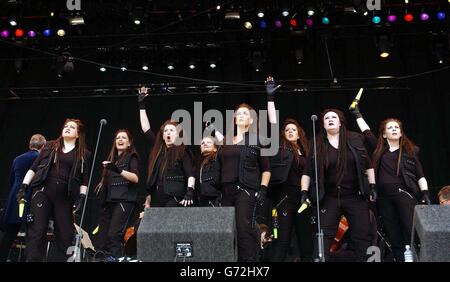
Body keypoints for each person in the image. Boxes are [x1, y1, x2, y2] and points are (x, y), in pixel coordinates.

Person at [351, 106, 431, 262]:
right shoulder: (380, 150)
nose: (394, 129)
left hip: (404, 194)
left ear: (401, 133)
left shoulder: (410, 151)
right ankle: (400, 258)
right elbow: (367, 132)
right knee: (392, 231)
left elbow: (420, 175)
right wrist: (357, 114)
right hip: (384, 197)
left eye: (396, 127)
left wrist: (425, 192)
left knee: (410, 229)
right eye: (390, 127)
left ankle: (418, 257)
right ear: (383, 133)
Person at [300, 109, 376, 262]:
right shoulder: (317, 143)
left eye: (333, 117)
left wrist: (372, 186)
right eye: (326, 118)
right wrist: (304, 192)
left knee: (362, 235)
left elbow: (368, 165)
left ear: (340, 122)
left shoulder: (354, 138)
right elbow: (307, 171)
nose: (330, 119)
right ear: (323, 124)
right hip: (329, 196)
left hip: (355, 195)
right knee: (323, 236)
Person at [17, 119, 90, 261]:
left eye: (72, 127)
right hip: (43, 191)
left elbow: (84, 179)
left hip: (65, 196)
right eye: (66, 126)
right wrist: (23, 186)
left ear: (78, 134)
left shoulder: (84, 154)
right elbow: (34, 167)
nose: (67, 128)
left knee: (65, 234)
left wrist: (82, 197)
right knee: (37, 231)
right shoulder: (50, 146)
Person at [264, 77, 313, 262]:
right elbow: (273, 122)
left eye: (294, 129)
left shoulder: (306, 152)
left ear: (299, 133)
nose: (291, 131)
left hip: (302, 198)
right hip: (283, 197)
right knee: (282, 240)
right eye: (287, 130)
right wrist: (270, 98)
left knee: (305, 241)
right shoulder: (279, 146)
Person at [217, 102, 271, 262]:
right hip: (226, 191)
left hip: (246, 190)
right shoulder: (226, 141)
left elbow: (266, 169)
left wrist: (263, 189)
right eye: (238, 113)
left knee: (243, 228)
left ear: (252, 120)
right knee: (226, 230)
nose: (240, 115)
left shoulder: (257, 140)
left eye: (245, 113)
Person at [138, 86, 195, 207]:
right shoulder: (159, 150)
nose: (168, 133)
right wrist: (141, 106)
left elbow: (190, 174)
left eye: (171, 130)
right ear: (163, 136)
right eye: (166, 131)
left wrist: (189, 191)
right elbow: (145, 129)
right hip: (156, 197)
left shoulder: (182, 151)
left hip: (173, 196)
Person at [94, 129, 140, 260]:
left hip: (125, 200)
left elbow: (136, 178)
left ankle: (119, 258)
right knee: (102, 239)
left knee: (114, 235)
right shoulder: (113, 159)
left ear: (129, 143)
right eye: (118, 138)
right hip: (110, 202)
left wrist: (117, 169)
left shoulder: (132, 157)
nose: (120, 140)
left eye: (123, 138)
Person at [0, 134, 46, 261]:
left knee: (9, 234)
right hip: (31, 196)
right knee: (32, 235)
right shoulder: (40, 158)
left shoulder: (17, 159)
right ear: (43, 147)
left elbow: (11, 180)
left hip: (15, 197)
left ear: (30, 145)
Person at [196, 136, 221, 207]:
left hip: (214, 197)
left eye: (209, 142)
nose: (205, 144)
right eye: (202, 143)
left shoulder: (218, 159)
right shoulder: (198, 162)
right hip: (202, 198)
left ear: (215, 148)